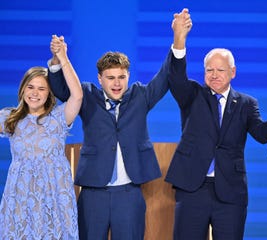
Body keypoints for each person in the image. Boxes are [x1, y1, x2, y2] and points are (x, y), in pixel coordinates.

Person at [164, 8, 267, 240]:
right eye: (209, 70)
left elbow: (262, 134)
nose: (214, 75)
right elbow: (176, 77)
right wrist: (179, 39)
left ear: (232, 72)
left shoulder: (246, 103)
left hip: (230, 191)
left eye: (220, 70)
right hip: (193, 187)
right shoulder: (192, 94)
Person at [46, 19, 175, 239]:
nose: (117, 83)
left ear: (128, 77)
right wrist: (57, 60)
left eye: (122, 77)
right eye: (111, 78)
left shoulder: (140, 96)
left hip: (129, 192)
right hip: (93, 192)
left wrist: (178, 41)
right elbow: (59, 88)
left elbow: (164, 78)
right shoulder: (86, 95)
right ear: (100, 79)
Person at [0, 35, 82, 239]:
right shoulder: (9, 118)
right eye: (30, 87)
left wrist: (62, 58)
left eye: (41, 88)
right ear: (22, 90)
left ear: (49, 94)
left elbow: (77, 95)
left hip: (55, 196)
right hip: (20, 197)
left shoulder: (58, 117)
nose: (35, 93)